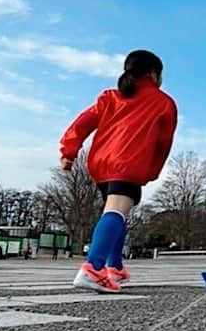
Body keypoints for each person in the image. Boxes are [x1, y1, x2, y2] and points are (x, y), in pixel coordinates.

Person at [60, 49, 178, 293]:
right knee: (116, 211)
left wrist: (68, 151)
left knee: (116, 212)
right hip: (129, 163)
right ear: (154, 75)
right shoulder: (163, 103)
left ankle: (115, 267)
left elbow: (82, 123)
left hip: (101, 164)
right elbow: (162, 144)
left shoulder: (110, 97)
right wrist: (151, 171)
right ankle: (93, 268)